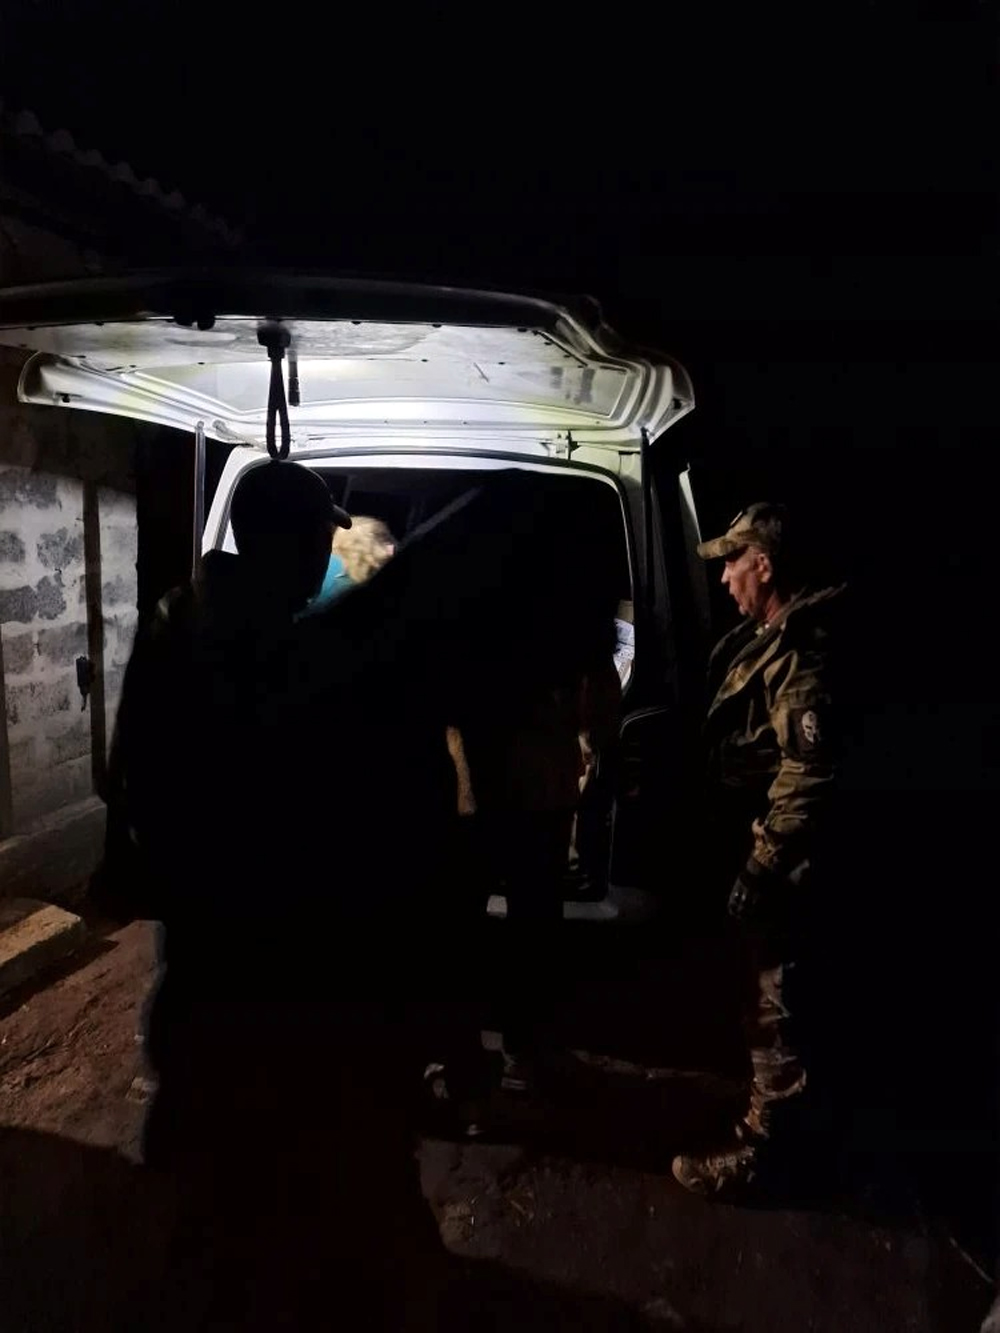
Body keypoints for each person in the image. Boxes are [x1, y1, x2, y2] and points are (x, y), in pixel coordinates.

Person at [671, 502, 847, 1198]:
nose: (725, 578)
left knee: (775, 1006)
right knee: (768, 997)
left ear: (764, 565)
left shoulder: (801, 651)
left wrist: (761, 864)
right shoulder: (772, 633)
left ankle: (767, 1152)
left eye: (734, 563)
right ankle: (775, 1115)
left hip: (788, 862)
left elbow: (809, 773)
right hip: (770, 846)